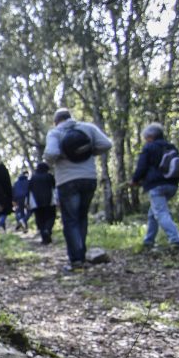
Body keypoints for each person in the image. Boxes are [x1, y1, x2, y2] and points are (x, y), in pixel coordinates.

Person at [43, 107, 113, 271]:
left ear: (56, 121)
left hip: (67, 180)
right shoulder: (88, 128)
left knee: (70, 220)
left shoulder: (55, 133)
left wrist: (63, 155)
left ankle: (76, 259)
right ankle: (81, 253)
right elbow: (106, 144)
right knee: (82, 217)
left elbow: (51, 154)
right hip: (89, 178)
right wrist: (89, 152)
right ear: (70, 117)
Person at [131, 122, 179, 251]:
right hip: (172, 185)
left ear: (150, 136)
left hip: (157, 186)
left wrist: (135, 180)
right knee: (153, 213)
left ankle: (176, 240)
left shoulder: (149, 147)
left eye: (145, 137)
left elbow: (141, 167)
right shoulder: (171, 147)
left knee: (161, 213)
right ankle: (148, 241)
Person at [28, 161, 57, 244]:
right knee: (51, 217)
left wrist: (29, 203)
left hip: (37, 203)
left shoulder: (33, 178)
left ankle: (44, 239)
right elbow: (54, 188)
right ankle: (47, 230)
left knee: (40, 219)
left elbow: (29, 191)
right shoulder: (49, 176)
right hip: (49, 201)